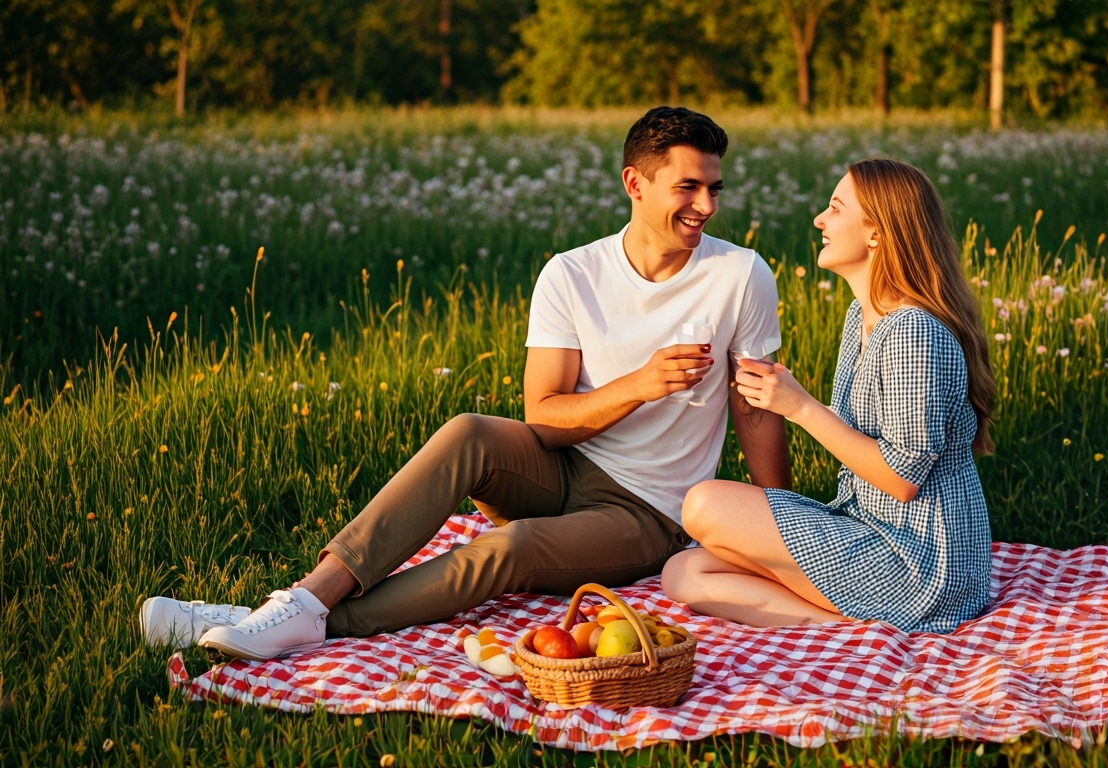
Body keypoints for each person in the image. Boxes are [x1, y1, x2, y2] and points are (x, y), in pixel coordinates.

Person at [139, 106, 791, 659]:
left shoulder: (740, 276)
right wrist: (640, 385)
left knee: (511, 547)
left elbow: (756, 411)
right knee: (468, 433)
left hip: (645, 511)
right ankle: (305, 598)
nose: (706, 206)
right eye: (688, 188)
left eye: (714, 189)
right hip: (564, 467)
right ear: (636, 183)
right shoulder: (572, 274)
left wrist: (784, 532)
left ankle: (300, 623)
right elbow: (542, 418)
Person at [661, 158, 995, 633]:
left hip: (922, 562)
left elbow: (902, 480)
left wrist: (799, 407)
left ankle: (880, 616)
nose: (819, 219)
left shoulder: (913, 332)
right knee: (685, 574)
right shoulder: (863, 315)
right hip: (869, 529)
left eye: (835, 208)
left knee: (703, 506)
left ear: (876, 233)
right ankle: (840, 624)